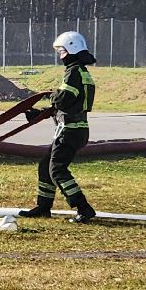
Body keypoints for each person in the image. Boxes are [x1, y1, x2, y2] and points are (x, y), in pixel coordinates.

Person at [19, 30, 98, 223]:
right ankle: (43, 207)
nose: (60, 55)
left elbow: (63, 99)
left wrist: (50, 94)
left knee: (57, 170)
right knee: (46, 166)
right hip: (73, 129)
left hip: (70, 131)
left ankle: (83, 208)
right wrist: (41, 113)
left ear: (71, 49)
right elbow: (68, 103)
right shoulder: (81, 72)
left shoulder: (73, 73)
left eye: (61, 51)